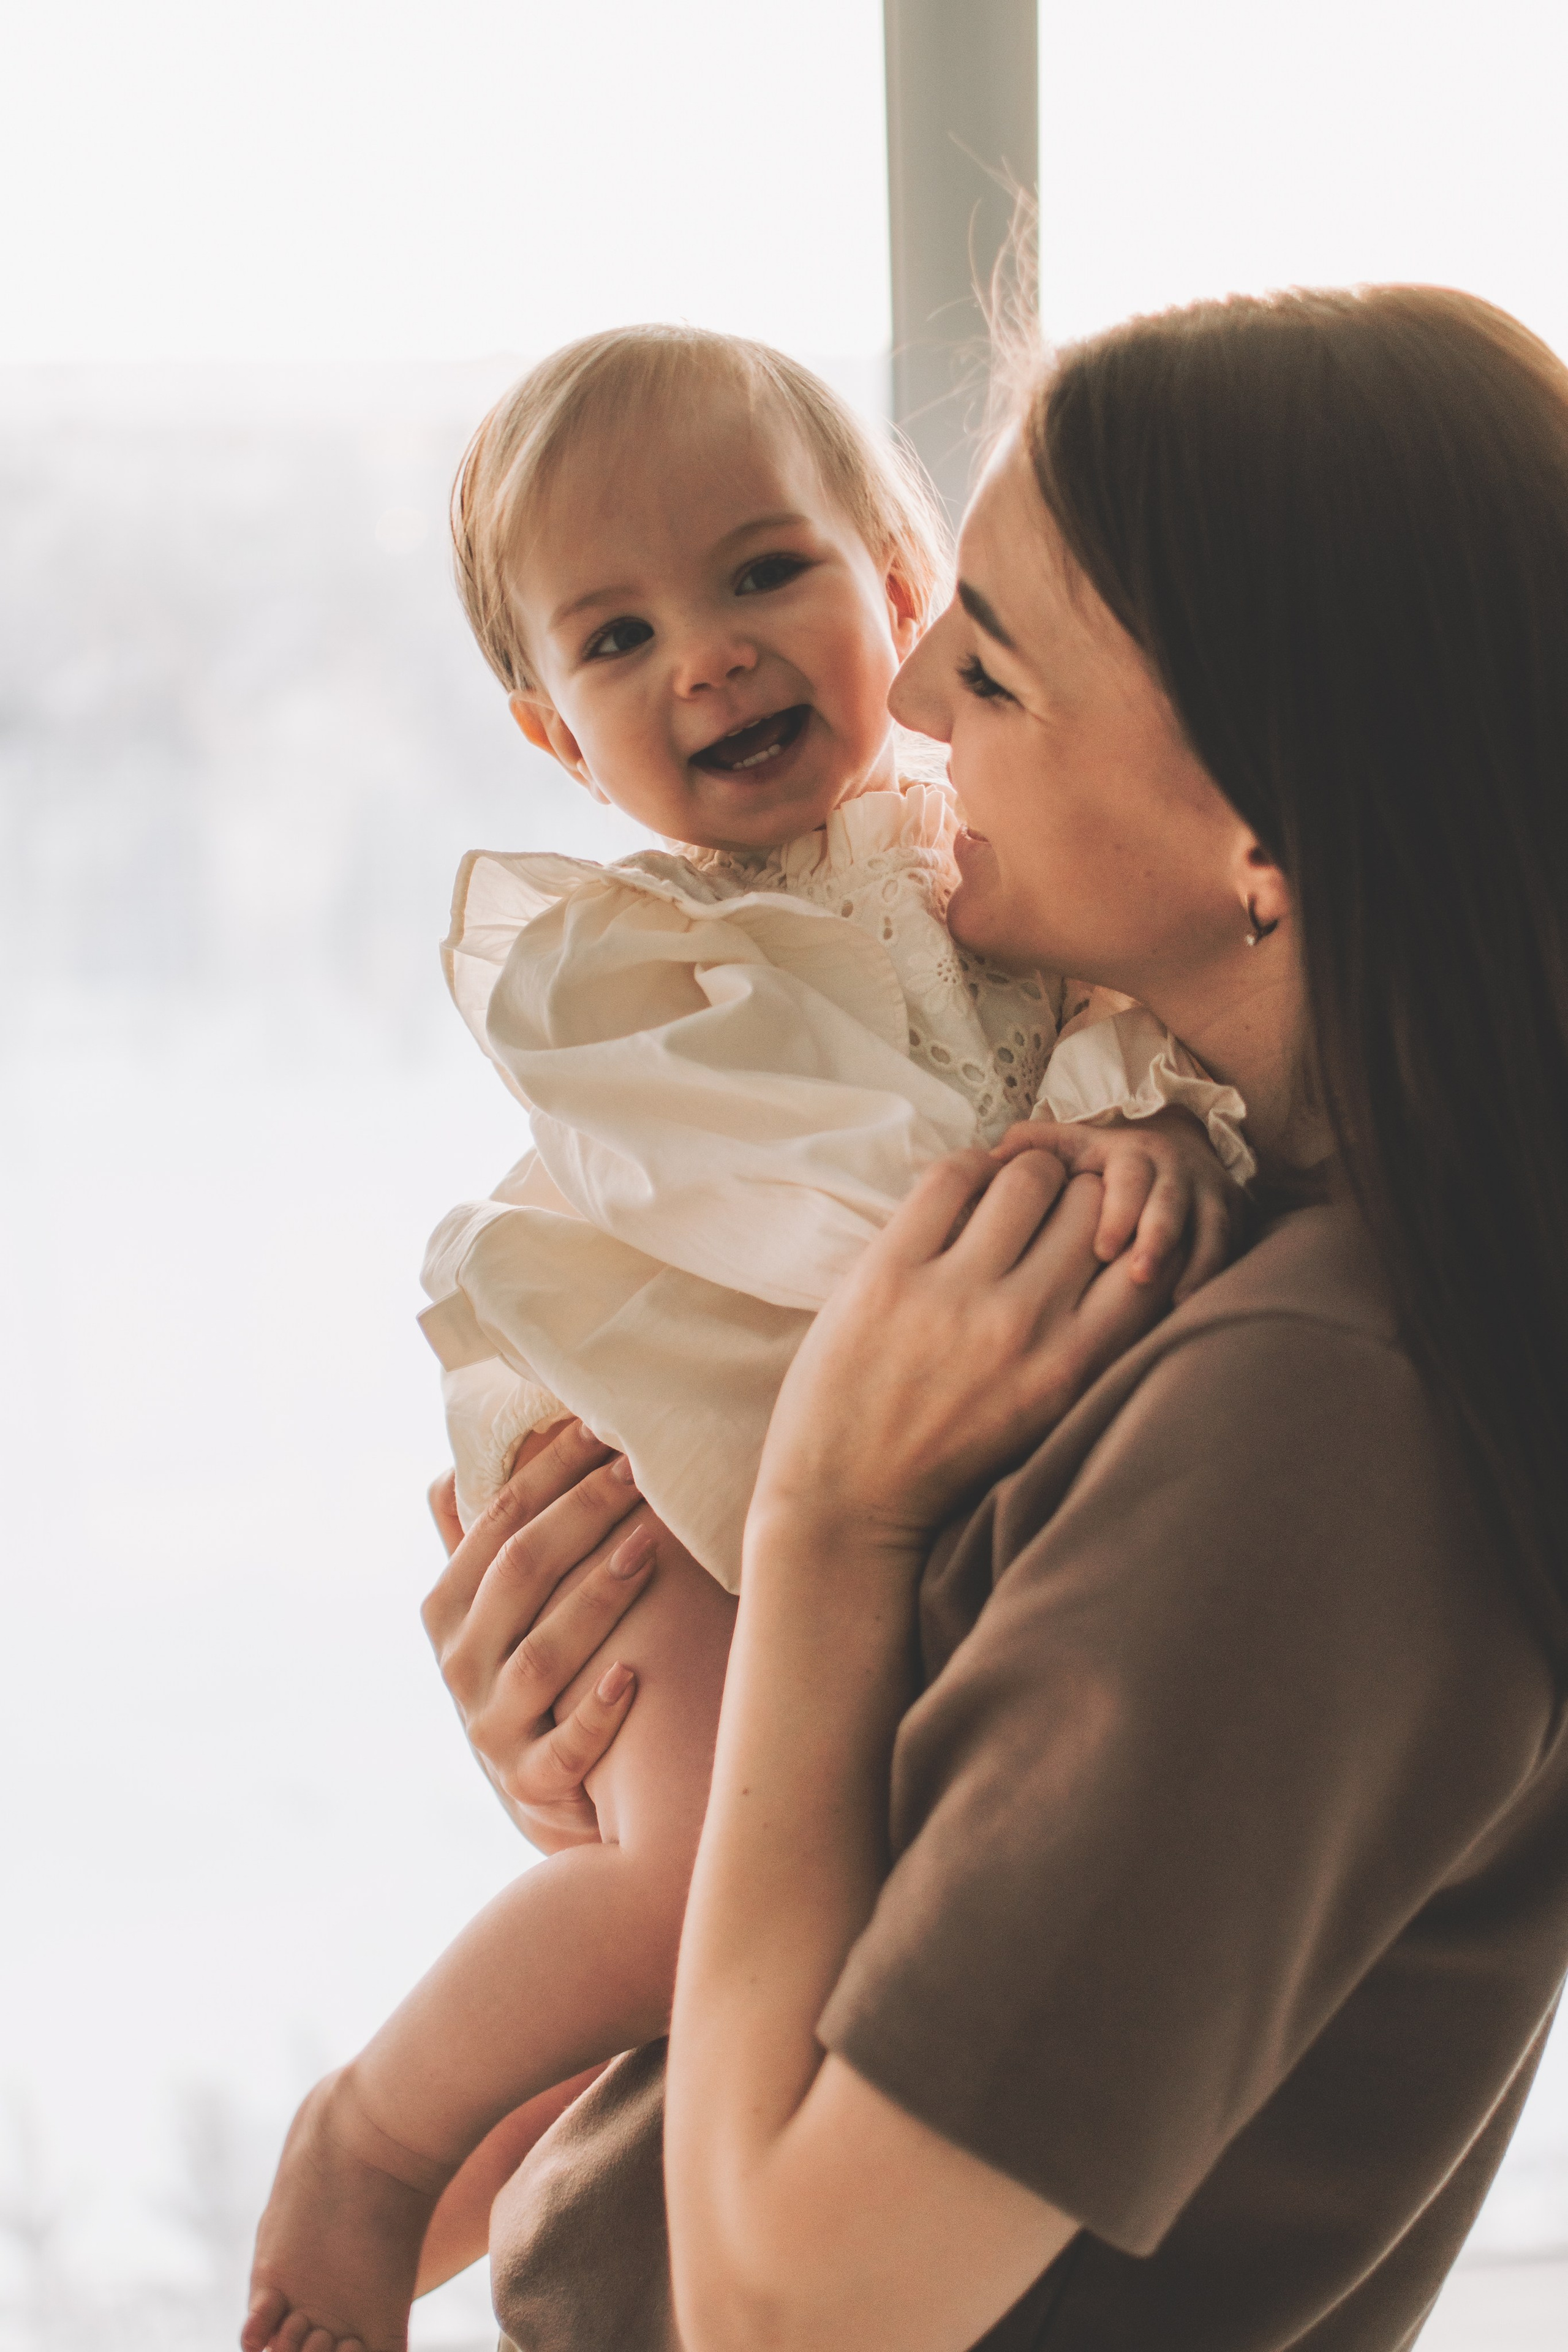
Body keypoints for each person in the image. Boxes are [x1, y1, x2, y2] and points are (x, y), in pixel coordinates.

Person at [417, 284, 1568, 2352]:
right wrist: (648, 1709)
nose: (917, 687)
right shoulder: (1270, 1275)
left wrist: (824, 1538)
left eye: (1001, 660)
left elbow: (803, 2315)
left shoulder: (1317, 1408)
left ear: (1265, 830)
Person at [241, 328, 1243, 2352]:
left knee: (745, 1919)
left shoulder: (983, 862)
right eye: (617, 637)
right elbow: (846, 1200)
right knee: (698, 1886)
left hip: (797, 1440)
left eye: (761, 576)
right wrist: (1099, 1155)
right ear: (552, 737)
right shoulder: (657, 959)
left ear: (899, 592)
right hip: (649, 1433)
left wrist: (1170, 1131)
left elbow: (1124, 1048)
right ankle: (367, 2144)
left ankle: (495, 2169)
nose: (705, 655)